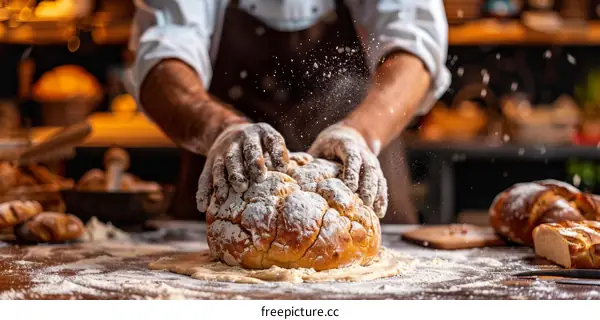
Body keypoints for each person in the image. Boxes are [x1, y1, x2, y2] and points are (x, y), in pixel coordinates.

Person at [128, 0, 450, 223]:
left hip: (358, 172)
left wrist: (359, 134)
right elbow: (161, 56)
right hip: (229, 191)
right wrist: (222, 130)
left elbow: (414, 46)